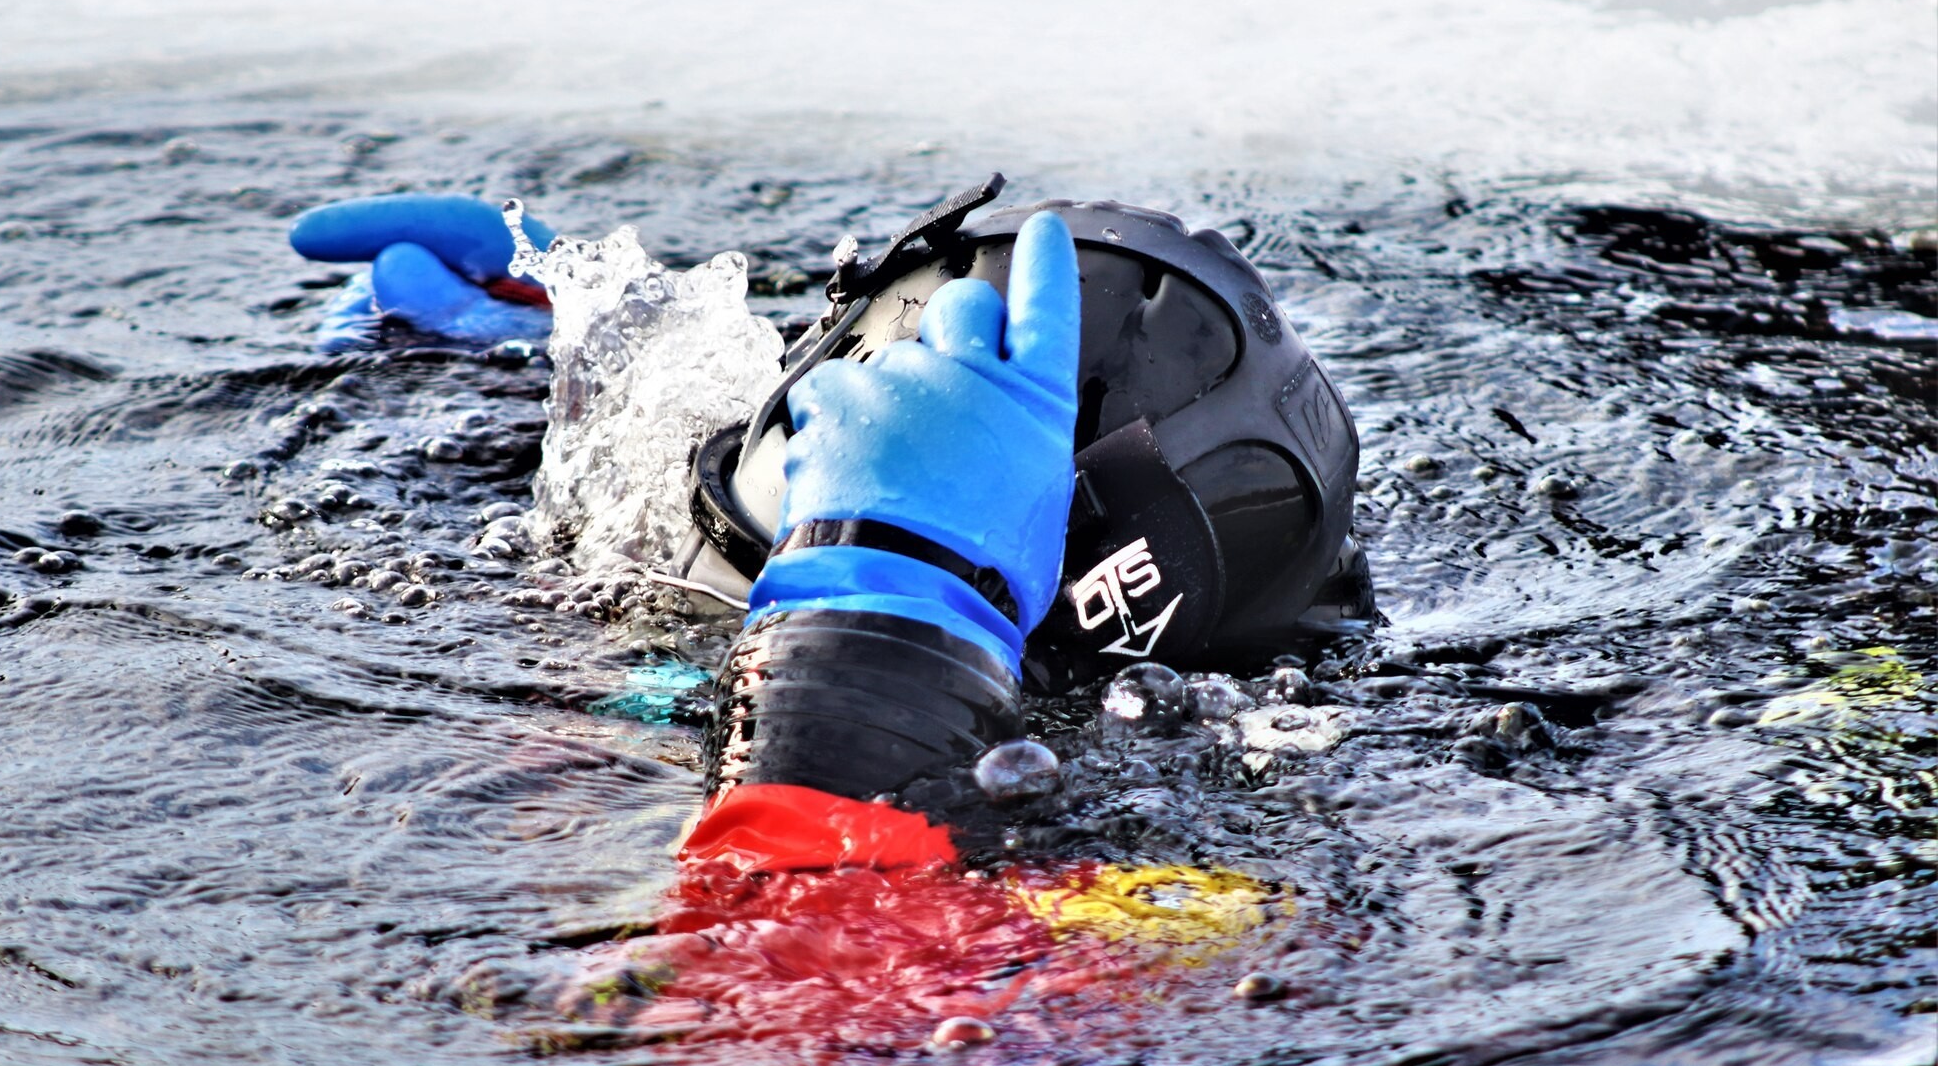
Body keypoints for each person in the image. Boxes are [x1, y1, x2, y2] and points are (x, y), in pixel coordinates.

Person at [289, 180, 1370, 875]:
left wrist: (879, 624)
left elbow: (789, 1037)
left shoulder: (1183, 902)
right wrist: (534, 335)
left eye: (790, 554)